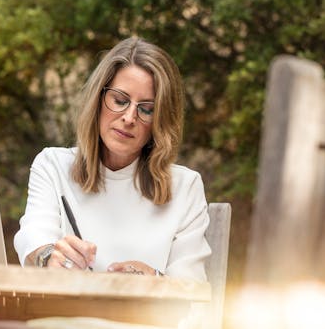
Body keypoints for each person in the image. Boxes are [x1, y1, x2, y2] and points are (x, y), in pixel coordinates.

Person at [14, 37, 211, 281]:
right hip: (64, 315)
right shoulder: (53, 165)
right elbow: (35, 236)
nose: (129, 117)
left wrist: (156, 281)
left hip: (145, 317)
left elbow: (192, 289)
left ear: (160, 120)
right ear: (98, 99)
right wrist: (50, 256)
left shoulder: (185, 187)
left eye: (147, 109)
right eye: (119, 100)